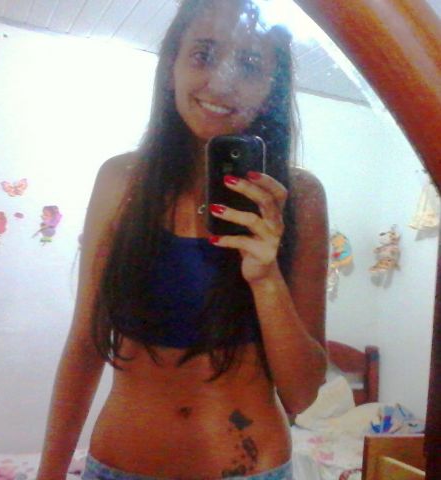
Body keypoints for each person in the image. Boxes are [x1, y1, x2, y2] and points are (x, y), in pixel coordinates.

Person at [36, 0, 328, 479]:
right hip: (119, 467)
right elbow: (85, 346)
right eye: (203, 54)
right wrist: (49, 473)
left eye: (249, 65)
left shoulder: (300, 197)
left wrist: (265, 277)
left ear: (272, 89)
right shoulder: (121, 181)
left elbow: (302, 393)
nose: (222, 82)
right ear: (172, 66)